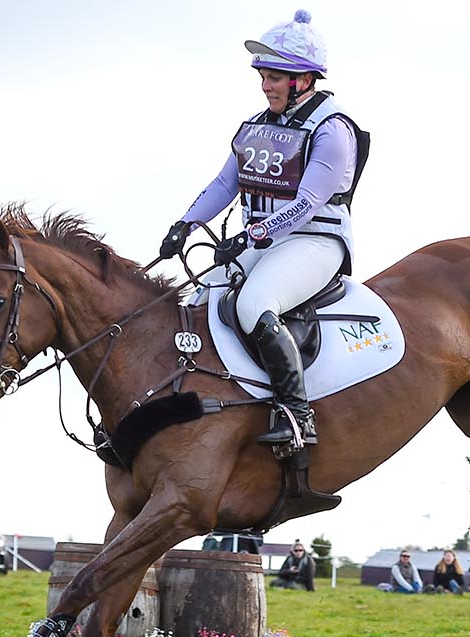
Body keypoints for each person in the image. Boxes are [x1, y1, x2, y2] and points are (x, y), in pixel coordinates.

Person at [157, 10, 370, 449]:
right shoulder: (259, 126)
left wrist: (253, 236)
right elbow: (223, 185)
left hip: (314, 241)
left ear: (302, 80)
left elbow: (308, 203)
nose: (265, 85)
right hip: (263, 240)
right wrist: (185, 224)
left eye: (274, 77)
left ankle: (297, 414)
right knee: (198, 301)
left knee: (255, 303)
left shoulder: (333, 129)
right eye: (264, 76)